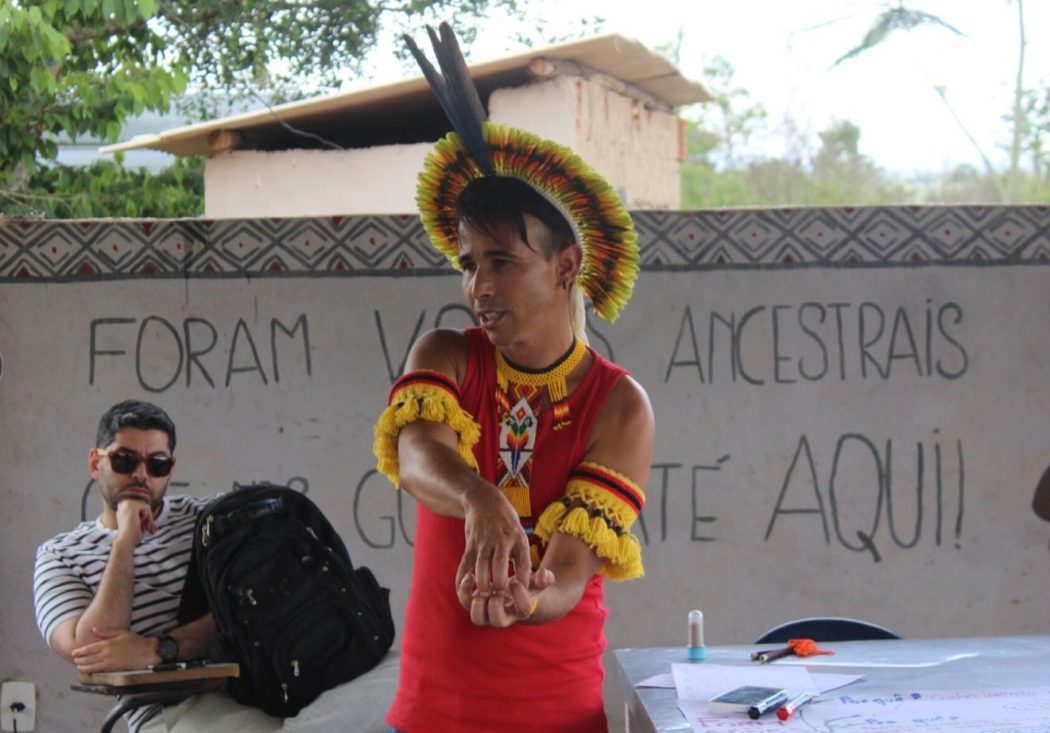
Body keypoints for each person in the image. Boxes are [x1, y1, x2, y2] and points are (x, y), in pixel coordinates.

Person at [373, 24, 654, 732]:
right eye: (469, 263)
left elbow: (571, 569)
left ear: (566, 266)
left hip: (559, 715)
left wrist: (529, 598)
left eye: (502, 261)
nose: (479, 286)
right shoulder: (446, 354)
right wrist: (481, 498)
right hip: (431, 714)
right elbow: (417, 455)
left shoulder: (619, 404)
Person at [33, 399, 281, 733]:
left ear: (171, 469)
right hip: (173, 710)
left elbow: (270, 597)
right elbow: (93, 652)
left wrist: (159, 649)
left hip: (271, 684)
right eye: (124, 460)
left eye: (157, 464)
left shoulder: (210, 519)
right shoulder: (61, 554)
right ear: (95, 463)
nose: (140, 474)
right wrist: (124, 544)